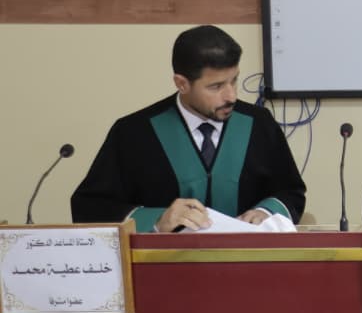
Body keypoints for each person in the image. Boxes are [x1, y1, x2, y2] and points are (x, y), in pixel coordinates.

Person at [72, 25, 306, 232]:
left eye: (234, 80)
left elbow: (290, 191)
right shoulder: (134, 133)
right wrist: (156, 220)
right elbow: (91, 206)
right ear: (182, 83)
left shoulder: (259, 124)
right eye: (216, 86)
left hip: (247, 261)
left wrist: (266, 211)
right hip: (163, 264)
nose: (231, 96)